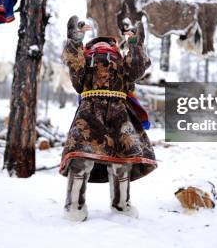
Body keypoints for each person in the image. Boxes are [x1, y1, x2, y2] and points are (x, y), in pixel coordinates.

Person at [59, 16, 157, 221]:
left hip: (116, 112)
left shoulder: (121, 60)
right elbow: (77, 81)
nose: (103, 48)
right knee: (81, 158)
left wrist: (135, 43)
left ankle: (120, 206)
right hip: (91, 111)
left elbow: (135, 72)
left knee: (121, 161)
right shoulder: (84, 59)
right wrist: (75, 41)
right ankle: (75, 206)